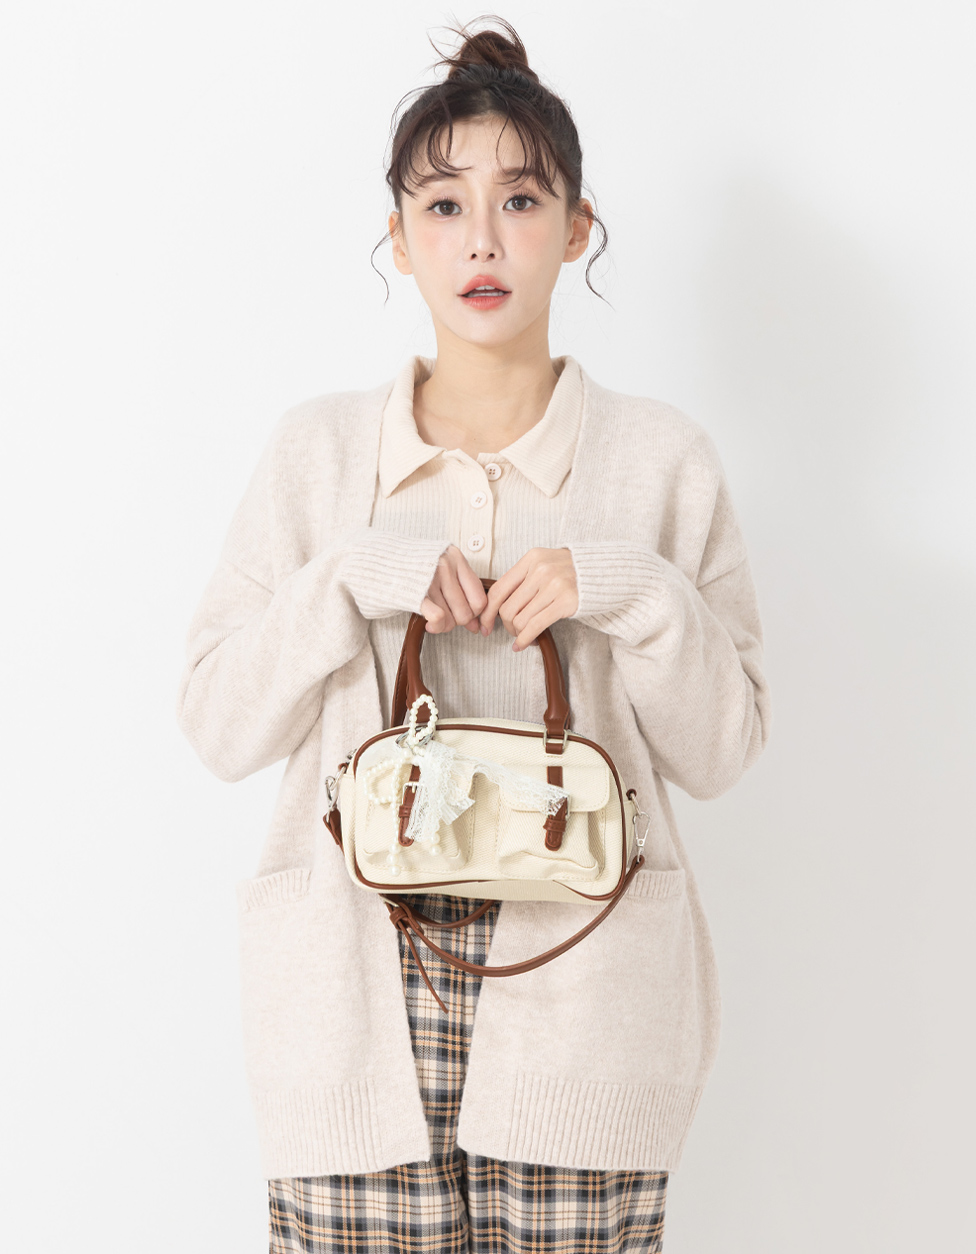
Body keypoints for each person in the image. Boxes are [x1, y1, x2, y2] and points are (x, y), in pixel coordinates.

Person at [176, 17, 770, 1254]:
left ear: (578, 226)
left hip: (587, 1000)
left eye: (521, 200)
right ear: (398, 238)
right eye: (443, 207)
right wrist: (350, 578)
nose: (482, 240)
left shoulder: (661, 460)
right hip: (349, 1004)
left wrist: (632, 589)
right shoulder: (317, 453)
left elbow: (721, 755)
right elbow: (218, 725)